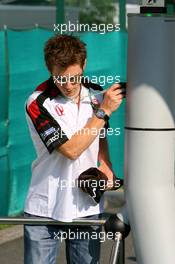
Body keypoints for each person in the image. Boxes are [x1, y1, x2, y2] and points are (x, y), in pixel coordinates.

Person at [24, 34, 124, 264]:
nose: (68, 85)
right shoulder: (37, 102)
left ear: (84, 65)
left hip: (87, 206)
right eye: (60, 78)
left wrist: (106, 166)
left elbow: (99, 137)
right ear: (49, 70)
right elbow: (71, 150)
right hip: (44, 207)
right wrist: (104, 111)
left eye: (75, 77)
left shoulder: (97, 94)